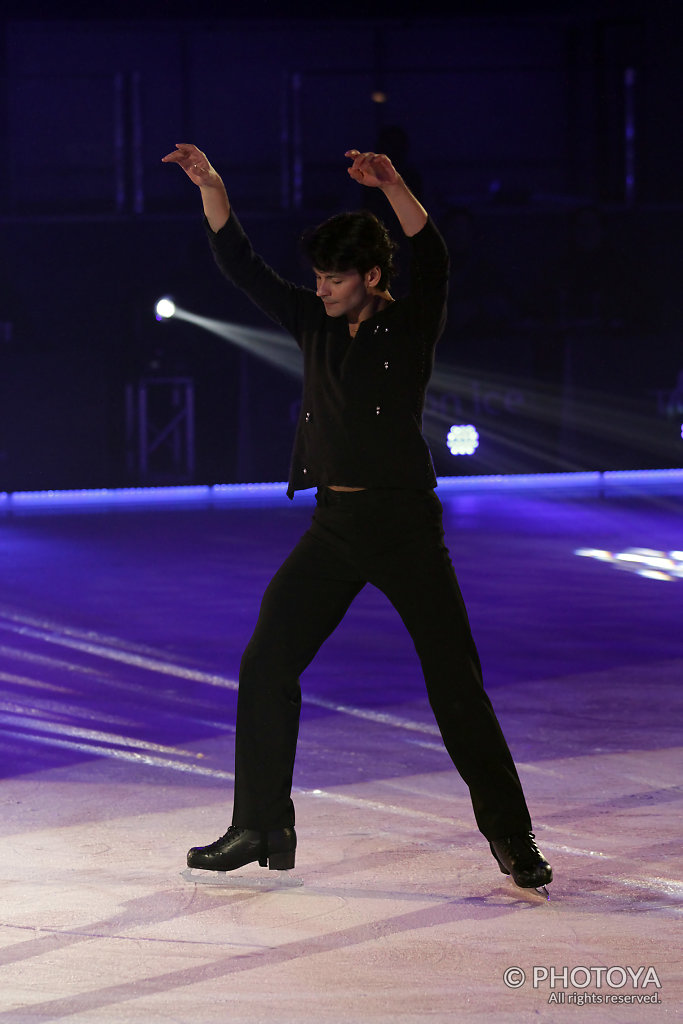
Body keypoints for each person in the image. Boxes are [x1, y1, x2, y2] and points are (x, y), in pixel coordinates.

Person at [162, 142, 552, 890]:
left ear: (371, 277)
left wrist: (396, 184)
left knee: (454, 686)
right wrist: (212, 183)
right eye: (318, 277)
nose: (323, 288)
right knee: (266, 660)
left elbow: (431, 255)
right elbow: (239, 263)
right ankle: (261, 823)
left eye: (335, 277)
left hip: (404, 528)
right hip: (333, 531)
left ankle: (512, 835)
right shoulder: (312, 320)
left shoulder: (408, 326)